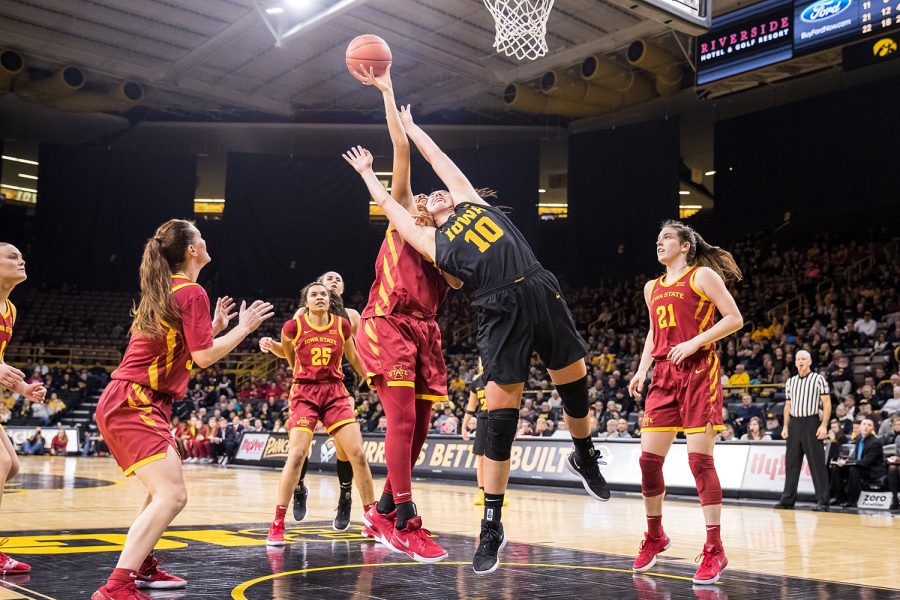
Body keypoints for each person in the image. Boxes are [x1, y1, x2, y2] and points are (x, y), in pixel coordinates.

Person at [342, 107, 609, 575]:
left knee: (576, 383)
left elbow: (439, 158)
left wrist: (413, 126)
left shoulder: (471, 204)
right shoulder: (432, 243)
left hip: (539, 286)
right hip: (495, 307)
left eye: (433, 191)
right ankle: (489, 526)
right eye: (425, 196)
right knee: (501, 417)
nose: (433, 191)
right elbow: (392, 208)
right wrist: (369, 176)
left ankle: (585, 454)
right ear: (423, 215)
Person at [91, 219, 274, 600]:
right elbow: (204, 357)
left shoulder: (171, 289)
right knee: (173, 495)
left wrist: (212, 326)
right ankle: (116, 586)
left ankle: (141, 564)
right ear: (192, 250)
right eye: (201, 238)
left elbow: (181, 347)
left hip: (139, 400)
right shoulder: (191, 291)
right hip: (135, 401)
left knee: (162, 492)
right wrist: (243, 328)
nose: (206, 242)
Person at [350, 68, 462, 564]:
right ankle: (405, 521)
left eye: (437, 197)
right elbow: (401, 149)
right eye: (420, 194)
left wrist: (447, 226)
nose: (424, 196)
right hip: (388, 321)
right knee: (400, 420)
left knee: (418, 428)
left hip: (426, 332)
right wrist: (389, 90)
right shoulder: (401, 216)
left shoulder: (452, 248)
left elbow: (459, 282)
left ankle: (384, 510)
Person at [627, 220, 744, 585]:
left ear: (685, 246)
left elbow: (734, 319)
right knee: (648, 462)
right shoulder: (652, 287)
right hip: (663, 375)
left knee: (699, 460)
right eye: (658, 238)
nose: (659, 243)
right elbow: (653, 333)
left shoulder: (702, 276)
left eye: (667, 238)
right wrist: (642, 368)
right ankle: (655, 536)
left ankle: (714, 549)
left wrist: (695, 342)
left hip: (698, 371)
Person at [265, 282, 375, 543]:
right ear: (306, 302)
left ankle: (373, 519)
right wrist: (297, 374)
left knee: (357, 453)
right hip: (305, 392)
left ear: (330, 299)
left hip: (335, 391)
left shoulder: (342, 325)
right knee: (297, 454)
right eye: (314, 294)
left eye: (323, 294)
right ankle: (278, 522)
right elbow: (289, 356)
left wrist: (372, 379)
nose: (320, 297)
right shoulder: (294, 326)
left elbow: (355, 358)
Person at [0, 242, 47, 577]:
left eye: (22, 256)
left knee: (12, 466)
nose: (21, 260)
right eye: (11, 257)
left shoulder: (10, 310)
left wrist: (22, 388)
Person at [774, 350, 831, 511]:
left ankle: (823, 501)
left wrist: (824, 425)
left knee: (816, 462)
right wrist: (785, 426)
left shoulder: (819, 379)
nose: (800, 361)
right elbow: (787, 406)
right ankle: (787, 499)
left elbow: (826, 403)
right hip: (794, 423)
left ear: (810, 362)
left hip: (812, 421)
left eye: (804, 359)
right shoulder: (791, 382)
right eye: (798, 359)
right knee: (791, 463)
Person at [830, 417, 886, 507]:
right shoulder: (858, 438)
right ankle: (838, 497)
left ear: (873, 428)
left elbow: (866, 462)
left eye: (869, 425)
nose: (866, 427)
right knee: (836, 467)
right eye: (864, 424)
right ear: (860, 427)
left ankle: (852, 499)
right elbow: (856, 459)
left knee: (853, 469)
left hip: (872, 470)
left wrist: (847, 462)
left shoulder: (875, 443)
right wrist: (843, 461)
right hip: (859, 466)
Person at [462, 363, 489, 505]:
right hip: (483, 421)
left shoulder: (499, 376)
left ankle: (500, 491)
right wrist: (464, 426)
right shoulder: (476, 382)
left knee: (500, 458)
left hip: (498, 420)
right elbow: (471, 407)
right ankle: (481, 491)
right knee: (481, 459)